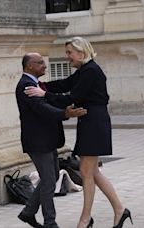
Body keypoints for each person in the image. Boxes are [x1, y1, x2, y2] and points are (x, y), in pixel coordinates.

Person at [24, 37, 131, 228]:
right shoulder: (84, 70)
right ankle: (119, 211)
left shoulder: (91, 71)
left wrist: (44, 95)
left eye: (69, 53)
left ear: (81, 52)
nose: (67, 57)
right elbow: (65, 84)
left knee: (86, 172)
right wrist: (43, 86)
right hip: (89, 121)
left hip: (94, 123)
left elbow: (72, 97)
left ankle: (85, 219)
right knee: (92, 172)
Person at [16, 52, 87, 228]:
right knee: (48, 180)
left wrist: (67, 106)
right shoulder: (26, 86)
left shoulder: (36, 84)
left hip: (47, 140)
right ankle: (50, 222)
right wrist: (65, 113)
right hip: (38, 141)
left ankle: (28, 212)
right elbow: (42, 108)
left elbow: (50, 100)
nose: (44, 65)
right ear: (29, 66)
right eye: (40, 62)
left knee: (53, 176)